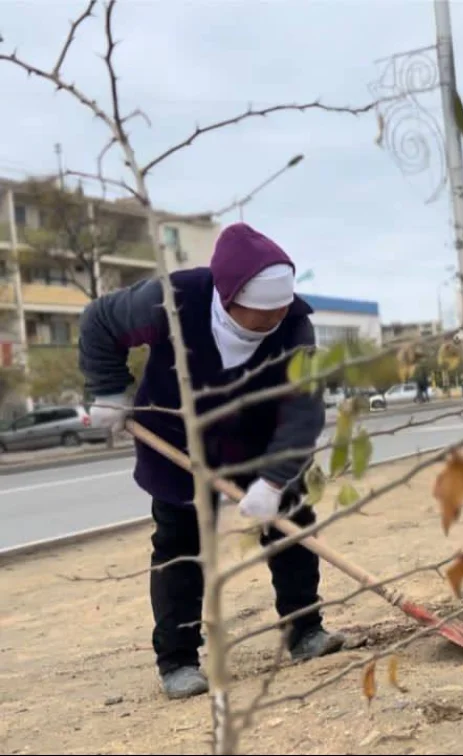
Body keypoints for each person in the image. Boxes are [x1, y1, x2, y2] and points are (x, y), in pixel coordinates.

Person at [78, 223, 345, 700]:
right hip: (176, 440)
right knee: (180, 545)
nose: (276, 318)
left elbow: (303, 409)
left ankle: (305, 631)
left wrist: (275, 481)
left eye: (282, 308)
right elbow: (99, 321)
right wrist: (108, 391)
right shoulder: (172, 301)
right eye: (264, 312)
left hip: (260, 440)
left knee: (292, 526)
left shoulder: (294, 327)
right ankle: (178, 661)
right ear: (229, 296)